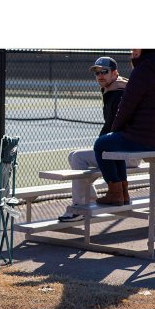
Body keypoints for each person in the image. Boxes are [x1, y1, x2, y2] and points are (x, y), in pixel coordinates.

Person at [59, 56, 140, 222]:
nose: (100, 75)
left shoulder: (117, 94)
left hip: (127, 154)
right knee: (73, 154)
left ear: (115, 73)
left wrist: (100, 144)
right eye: (97, 72)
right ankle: (87, 201)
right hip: (129, 149)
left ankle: (78, 209)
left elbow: (113, 127)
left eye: (104, 71)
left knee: (77, 157)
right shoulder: (117, 88)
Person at [94, 49, 155, 206]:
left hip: (143, 138)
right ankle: (122, 192)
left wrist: (116, 129)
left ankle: (115, 193)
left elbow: (127, 105)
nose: (132, 51)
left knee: (101, 144)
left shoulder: (143, 70)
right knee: (114, 145)